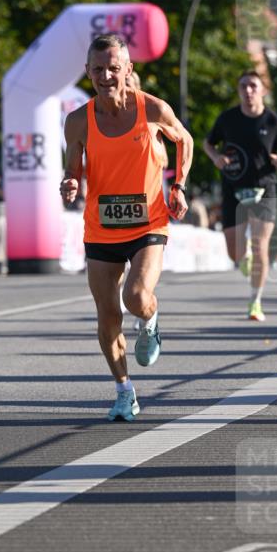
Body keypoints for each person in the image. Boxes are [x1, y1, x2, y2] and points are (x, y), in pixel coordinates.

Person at [61, 33, 192, 421]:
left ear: (128, 70)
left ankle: (150, 320)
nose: (106, 76)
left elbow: (183, 139)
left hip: (148, 221)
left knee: (136, 297)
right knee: (107, 317)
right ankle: (124, 392)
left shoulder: (151, 109)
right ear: (88, 72)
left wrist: (179, 186)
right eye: (98, 69)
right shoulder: (77, 121)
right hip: (101, 228)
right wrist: (70, 183)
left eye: (113, 69)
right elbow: (73, 168)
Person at [203, 70, 277, 321]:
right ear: (238, 91)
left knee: (260, 245)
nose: (248, 91)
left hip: (264, 188)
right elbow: (208, 143)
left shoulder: (273, 122)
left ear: (263, 90)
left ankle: (255, 301)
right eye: (243, 86)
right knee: (234, 254)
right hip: (232, 187)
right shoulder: (227, 119)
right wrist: (216, 158)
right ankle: (242, 256)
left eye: (253, 86)